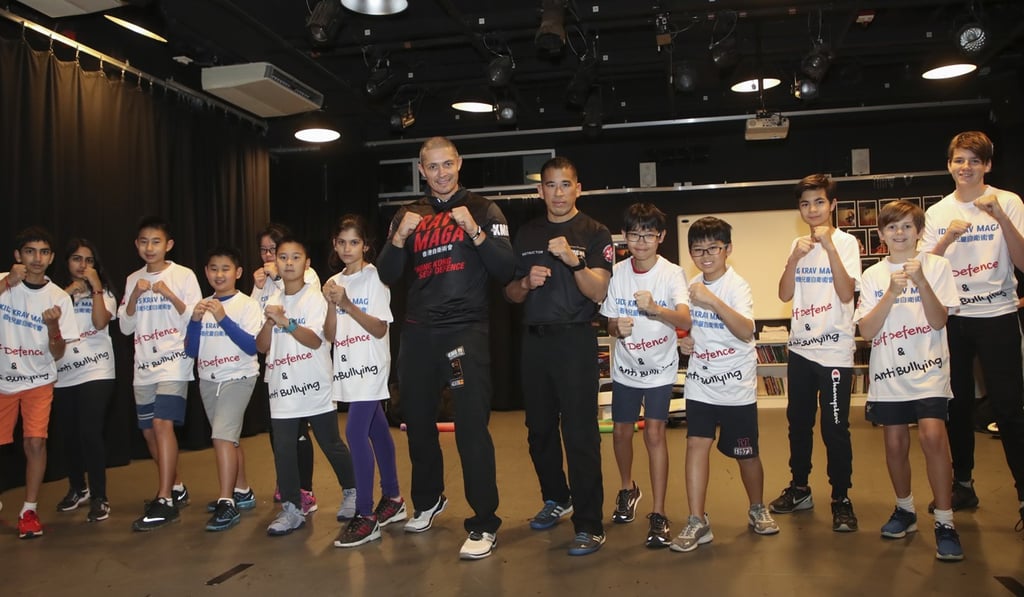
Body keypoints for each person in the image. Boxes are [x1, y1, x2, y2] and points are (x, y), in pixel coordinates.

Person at [377, 136, 514, 560]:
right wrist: (398, 238)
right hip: (419, 335)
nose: (441, 173)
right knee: (417, 421)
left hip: (462, 334)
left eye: (447, 164)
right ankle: (428, 499)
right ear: (422, 170)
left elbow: (507, 268)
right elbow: (386, 274)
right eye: (432, 167)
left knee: (470, 426)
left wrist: (474, 231)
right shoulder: (409, 214)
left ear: (459, 164)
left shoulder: (483, 209)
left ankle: (484, 522)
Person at [505, 156, 612, 556]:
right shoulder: (527, 232)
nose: (558, 193)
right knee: (539, 430)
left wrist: (575, 261)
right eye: (550, 185)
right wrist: (525, 283)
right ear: (540, 191)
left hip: (574, 340)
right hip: (535, 341)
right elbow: (509, 294)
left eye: (565, 184)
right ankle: (557, 497)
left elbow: (599, 291)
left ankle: (589, 523)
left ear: (578, 188)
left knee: (580, 433)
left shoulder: (595, 232)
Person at [921, 131, 1024, 530]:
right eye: (959, 160)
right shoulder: (938, 212)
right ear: (949, 165)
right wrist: (947, 238)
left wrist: (1000, 217)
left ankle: (1023, 496)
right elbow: (925, 270)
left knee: (1009, 408)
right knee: (957, 406)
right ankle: (962, 485)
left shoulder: (1008, 202)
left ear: (988, 165)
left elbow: (1022, 261)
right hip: (955, 319)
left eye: (974, 160)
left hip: (998, 315)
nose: (966, 167)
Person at [855, 200, 964, 561]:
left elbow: (938, 320)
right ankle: (905, 509)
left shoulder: (937, 266)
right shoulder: (873, 275)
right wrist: (891, 292)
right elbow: (867, 330)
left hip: (930, 370)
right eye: (891, 227)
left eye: (906, 226)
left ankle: (945, 521)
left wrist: (921, 282)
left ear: (919, 231)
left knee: (933, 437)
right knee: (894, 444)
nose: (899, 233)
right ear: (881, 234)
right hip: (889, 375)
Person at [670, 216, 780, 553]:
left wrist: (712, 301)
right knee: (696, 444)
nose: (705, 256)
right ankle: (697, 519)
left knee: (746, 453)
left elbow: (746, 330)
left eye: (713, 249)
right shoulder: (690, 286)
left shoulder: (736, 286)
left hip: (736, 386)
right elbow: (686, 327)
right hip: (701, 383)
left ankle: (757, 507)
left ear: (727, 249)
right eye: (698, 250)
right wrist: (685, 341)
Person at [598, 202, 691, 548]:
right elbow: (608, 321)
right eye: (635, 235)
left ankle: (659, 512)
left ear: (661, 237)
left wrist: (655, 309)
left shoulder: (672, 273)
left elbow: (684, 319)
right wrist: (615, 328)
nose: (641, 242)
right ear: (624, 236)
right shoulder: (617, 272)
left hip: (659, 371)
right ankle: (628, 489)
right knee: (621, 433)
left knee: (654, 434)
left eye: (648, 235)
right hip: (625, 369)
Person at [772, 174, 862, 532]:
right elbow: (783, 294)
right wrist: (793, 259)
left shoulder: (847, 243)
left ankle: (841, 497)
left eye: (819, 202)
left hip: (835, 352)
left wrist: (831, 249)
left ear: (832, 204)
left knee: (835, 427)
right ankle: (800, 488)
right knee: (798, 423)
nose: (812, 209)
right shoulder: (797, 244)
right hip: (801, 350)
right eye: (805, 204)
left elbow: (846, 293)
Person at [256, 237, 356, 537]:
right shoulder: (270, 298)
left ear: (307, 263)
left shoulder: (315, 297)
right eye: (283, 257)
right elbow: (261, 347)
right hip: (282, 386)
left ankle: (353, 491)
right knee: (284, 449)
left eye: (295, 257)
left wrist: (285, 322)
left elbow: (315, 340)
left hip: (314, 383)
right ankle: (291, 508)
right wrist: (269, 323)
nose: (288, 263)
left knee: (330, 442)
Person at [323, 215, 406, 548]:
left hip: (370, 365)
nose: (347, 248)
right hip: (347, 366)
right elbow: (331, 335)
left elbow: (380, 328)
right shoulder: (332, 281)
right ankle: (394, 498)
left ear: (366, 246)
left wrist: (346, 303)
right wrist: (333, 304)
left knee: (355, 432)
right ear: (334, 244)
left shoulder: (374, 277)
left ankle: (366, 515)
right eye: (342, 242)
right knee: (376, 429)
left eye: (354, 242)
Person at [118, 216, 202, 532]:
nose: (149, 247)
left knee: (162, 424)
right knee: (149, 433)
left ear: (169, 245)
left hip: (174, 362)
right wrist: (135, 297)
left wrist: (169, 294)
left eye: (156, 241)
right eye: (144, 241)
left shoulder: (183, 275)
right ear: (136, 245)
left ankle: (164, 499)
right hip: (143, 366)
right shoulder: (133, 279)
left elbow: (195, 317)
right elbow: (125, 326)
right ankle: (176, 486)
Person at [0, 227, 79, 538]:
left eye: (44, 252)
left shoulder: (59, 297)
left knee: (35, 442)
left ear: (51, 258)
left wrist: (53, 327)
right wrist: (7, 283)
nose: (37, 258)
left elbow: (58, 353)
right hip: (2, 380)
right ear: (18, 255)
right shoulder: (4, 282)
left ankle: (29, 510)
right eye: (30, 251)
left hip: (38, 380)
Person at [184, 247, 263, 532]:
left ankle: (226, 501)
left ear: (238, 273)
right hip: (209, 379)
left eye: (225, 269)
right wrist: (194, 322)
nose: (219, 274)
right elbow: (191, 350)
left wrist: (223, 318)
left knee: (221, 437)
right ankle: (242, 490)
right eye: (214, 269)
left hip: (238, 377)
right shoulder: (203, 305)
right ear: (206, 272)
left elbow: (252, 346)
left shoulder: (247, 305)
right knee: (229, 439)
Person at [252, 223, 318, 515]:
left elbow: (301, 307)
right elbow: (254, 320)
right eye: (263, 250)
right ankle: (286, 481)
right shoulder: (263, 280)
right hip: (275, 366)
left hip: (303, 366)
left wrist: (278, 278)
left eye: (273, 250)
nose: (268, 256)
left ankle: (306, 489)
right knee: (278, 433)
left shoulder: (306, 274)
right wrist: (258, 288)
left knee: (301, 432)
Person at [52, 238, 117, 523]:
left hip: (97, 370)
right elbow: (45, 322)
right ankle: (78, 488)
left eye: (89, 260)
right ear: (66, 262)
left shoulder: (105, 292)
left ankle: (100, 497)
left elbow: (101, 322)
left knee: (90, 431)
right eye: (77, 259)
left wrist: (96, 288)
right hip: (63, 373)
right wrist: (68, 293)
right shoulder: (55, 293)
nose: (83, 265)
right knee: (69, 434)